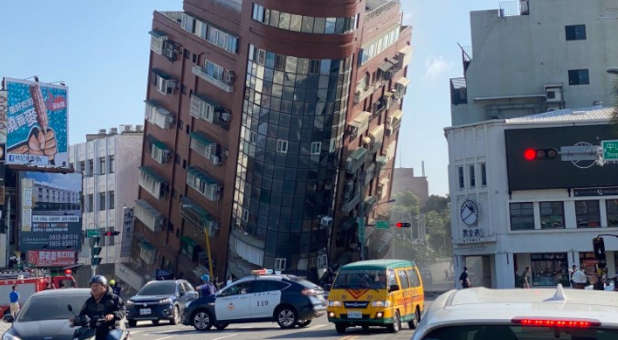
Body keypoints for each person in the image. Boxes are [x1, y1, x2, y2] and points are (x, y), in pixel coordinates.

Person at [74, 275, 125, 340]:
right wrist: (76, 320)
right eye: (92, 286)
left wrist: (113, 315)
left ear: (104, 286)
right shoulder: (89, 302)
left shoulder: (114, 299)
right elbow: (82, 314)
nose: (93, 288)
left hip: (112, 328)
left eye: (96, 286)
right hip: (95, 329)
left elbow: (122, 310)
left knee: (112, 338)